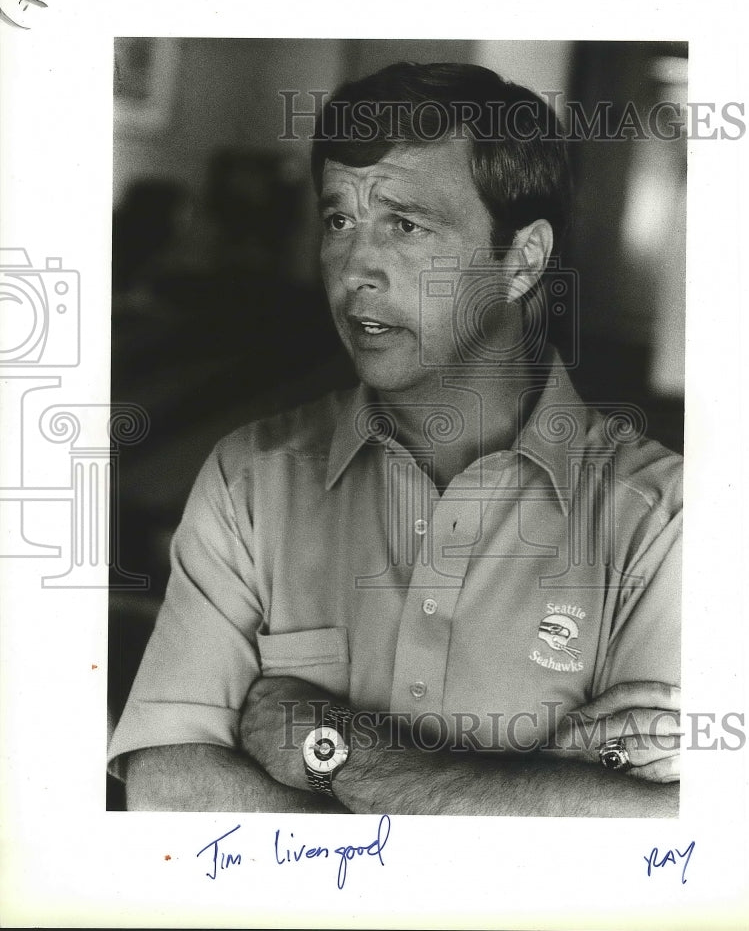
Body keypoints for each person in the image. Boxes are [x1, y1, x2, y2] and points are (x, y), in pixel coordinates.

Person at [108, 62, 682, 816]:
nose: (354, 268)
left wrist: (325, 742)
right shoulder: (252, 478)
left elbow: (661, 842)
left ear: (522, 260)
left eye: (405, 225)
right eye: (338, 220)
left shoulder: (661, 516)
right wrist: (533, 793)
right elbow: (167, 786)